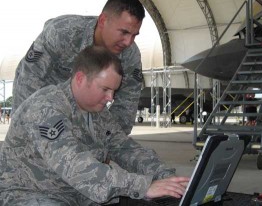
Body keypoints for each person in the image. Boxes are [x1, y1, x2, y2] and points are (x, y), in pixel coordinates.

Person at [0, 46, 189, 205]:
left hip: (77, 194)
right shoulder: (46, 107)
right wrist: (143, 186)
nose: (111, 98)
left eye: (114, 91)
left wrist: (166, 177)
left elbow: (125, 148)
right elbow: (76, 166)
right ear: (81, 79)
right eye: (105, 89)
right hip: (29, 194)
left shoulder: (98, 113)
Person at [12, 0, 144, 135]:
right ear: (103, 21)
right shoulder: (62, 33)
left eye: (134, 35)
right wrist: (28, 133)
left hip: (85, 111)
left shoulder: (130, 56)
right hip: (43, 101)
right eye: (124, 32)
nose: (128, 42)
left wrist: (106, 143)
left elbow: (126, 107)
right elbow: (28, 82)